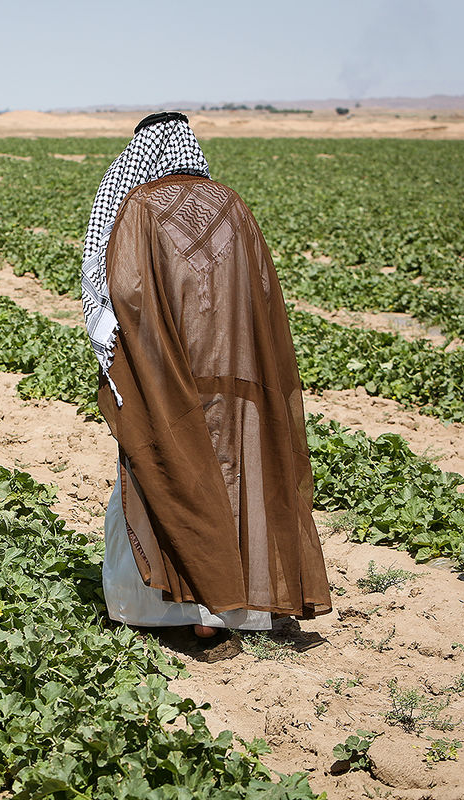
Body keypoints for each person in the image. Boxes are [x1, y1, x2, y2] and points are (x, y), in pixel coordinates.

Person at [83, 112, 331, 639]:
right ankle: (243, 602)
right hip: (234, 366)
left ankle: (191, 611)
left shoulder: (140, 206)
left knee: (171, 470)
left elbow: (121, 292)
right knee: (237, 470)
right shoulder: (231, 205)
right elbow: (261, 286)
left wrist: (126, 356)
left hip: (170, 370)